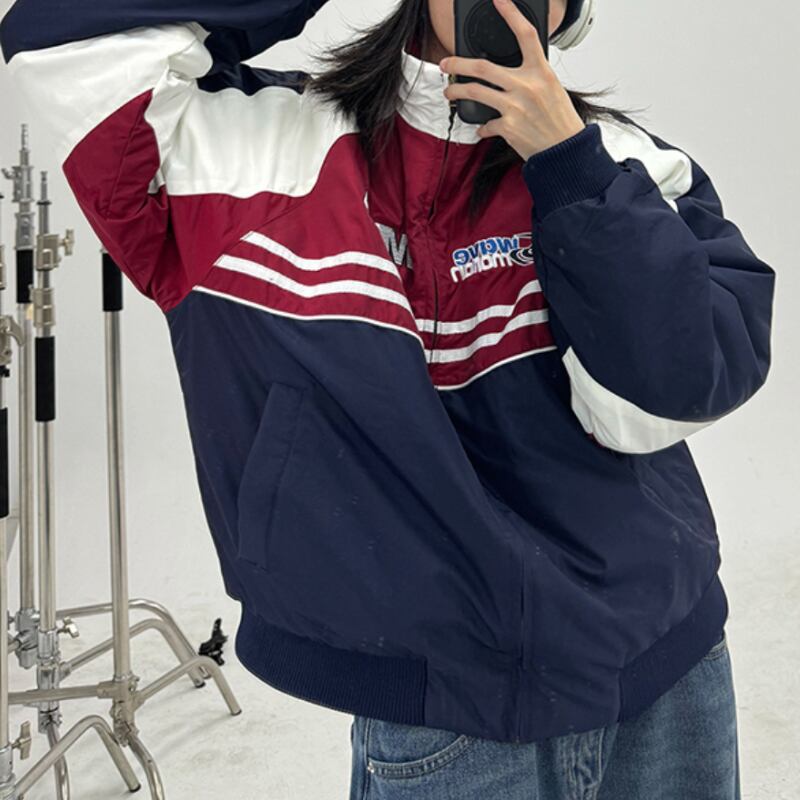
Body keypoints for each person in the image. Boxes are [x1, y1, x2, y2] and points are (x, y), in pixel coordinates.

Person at [0, 0, 775, 797]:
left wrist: (569, 168)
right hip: (444, 711)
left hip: (667, 681)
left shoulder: (621, 163)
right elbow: (60, 40)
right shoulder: (248, 151)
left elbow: (670, 394)